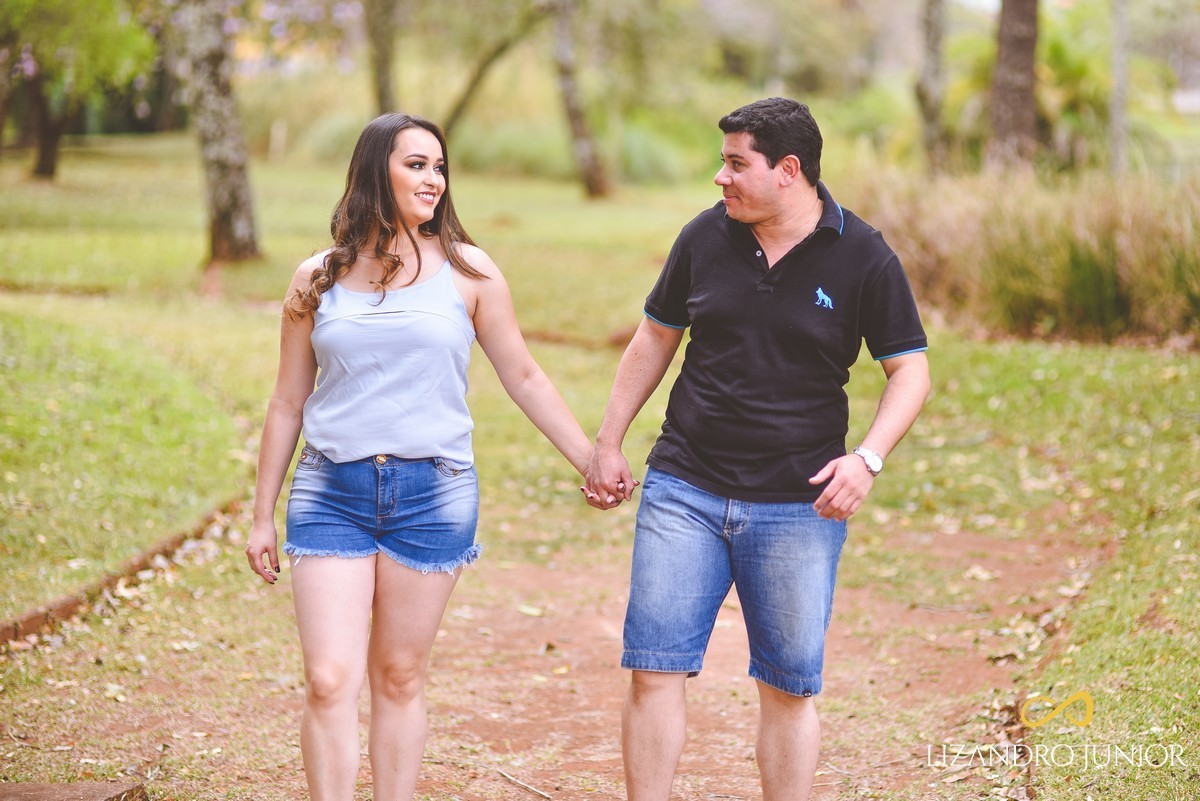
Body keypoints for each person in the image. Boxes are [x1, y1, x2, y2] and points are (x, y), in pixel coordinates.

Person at [584, 97, 931, 801]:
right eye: (723, 162)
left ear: (788, 170)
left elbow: (911, 370)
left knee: (788, 683)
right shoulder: (703, 239)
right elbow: (655, 337)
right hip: (685, 485)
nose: (721, 178)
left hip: (799, 506)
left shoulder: (863, 254)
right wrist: (608, 439)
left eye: (737, 163)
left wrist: (867, 458)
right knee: (654, 667)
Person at [245, 112, 594, 801]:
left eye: (439, 167)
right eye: (416, 165)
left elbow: (524, 376)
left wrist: (590, 458)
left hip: (433, 493)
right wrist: (262, 514)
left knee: (400, 676)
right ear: (377, 170)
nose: (433, 179)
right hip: (330, 491)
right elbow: (287, 401)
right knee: (329, 678)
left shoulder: (470, 271)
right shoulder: (316, 277)